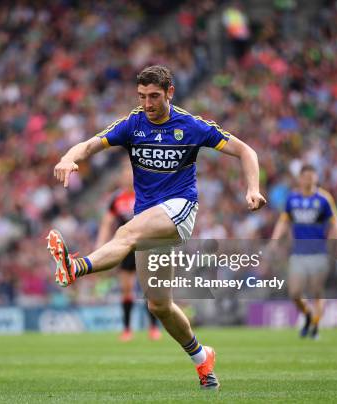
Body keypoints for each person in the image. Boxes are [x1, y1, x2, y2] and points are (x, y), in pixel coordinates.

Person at [47, 65, 266, 390]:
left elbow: (245, 150)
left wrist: (252, 188)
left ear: (170, 93)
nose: (147, 104)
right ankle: (202, 359)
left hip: (180, 209)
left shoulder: (191, 126)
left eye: (153, 97)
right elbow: (91, 145)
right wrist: (68, 157)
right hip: (150, 218)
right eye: (142, 96)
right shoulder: (133, 124)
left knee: (127, 233)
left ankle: (75, 267)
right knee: (159, 305)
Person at [270, 164, 337, 340]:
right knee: (294, 293)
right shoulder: (292, 199)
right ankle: (308, 314)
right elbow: (283, 221)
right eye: (306, 176)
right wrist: (274, 239)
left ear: (316, 178)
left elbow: (335, 223)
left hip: (319, 252)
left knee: (317, 290)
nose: (309, 179)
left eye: (312, 176)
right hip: (298, 252)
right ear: (300, 178)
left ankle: (316, 325)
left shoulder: (324, 199)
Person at [94, 160, 161, 342]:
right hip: (125, 246)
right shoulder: (117, 199)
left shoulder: (146, 194)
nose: (126, 178)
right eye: (124, 175)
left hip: (145, 244)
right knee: (126, 289)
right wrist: (101, 242)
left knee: (149, 288)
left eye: (129, 174)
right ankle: (127, 329)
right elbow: (107, 222)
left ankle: (153, 328)